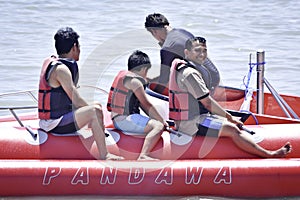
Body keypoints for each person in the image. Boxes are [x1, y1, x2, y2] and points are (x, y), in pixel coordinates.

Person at [168, 36, 292, 158]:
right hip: (190, 124)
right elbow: (207, 103)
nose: (202, 54)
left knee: (235, 122)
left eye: (204, 50)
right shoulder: (190, 73)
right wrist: (230, 118)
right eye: (197, 50)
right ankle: (269, 154)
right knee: (232, 129)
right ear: (187, 52)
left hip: (191, 118)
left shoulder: (183, 67)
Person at [38, 27, 123, 160]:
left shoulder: (56, 64)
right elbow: (76, 101)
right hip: (54, 123)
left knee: (96, 106)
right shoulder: (61, 70)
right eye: (79, 46)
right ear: (74, 47)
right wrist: (94, 112)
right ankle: (104, 155)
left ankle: (97, 134)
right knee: (94, 110)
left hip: (56, 118)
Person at [107, 50, 167, 160]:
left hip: (118, 120)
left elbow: (142, 105)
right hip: (125, 120)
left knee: (155, 122)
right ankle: (144, 155)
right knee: (158, 126)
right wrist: (161, 122)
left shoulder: (126, 77)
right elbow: (146, 104)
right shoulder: (135, 81)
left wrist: (155, 118)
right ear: (144, 68)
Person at [145, 13, 220, 94]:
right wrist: (152, 81)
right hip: (215, 76)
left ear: (154, 31)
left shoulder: (167, 47)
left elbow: (164, 80)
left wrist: (148, 91)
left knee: (176, 75)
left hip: (204, 85)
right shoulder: (184, 32)